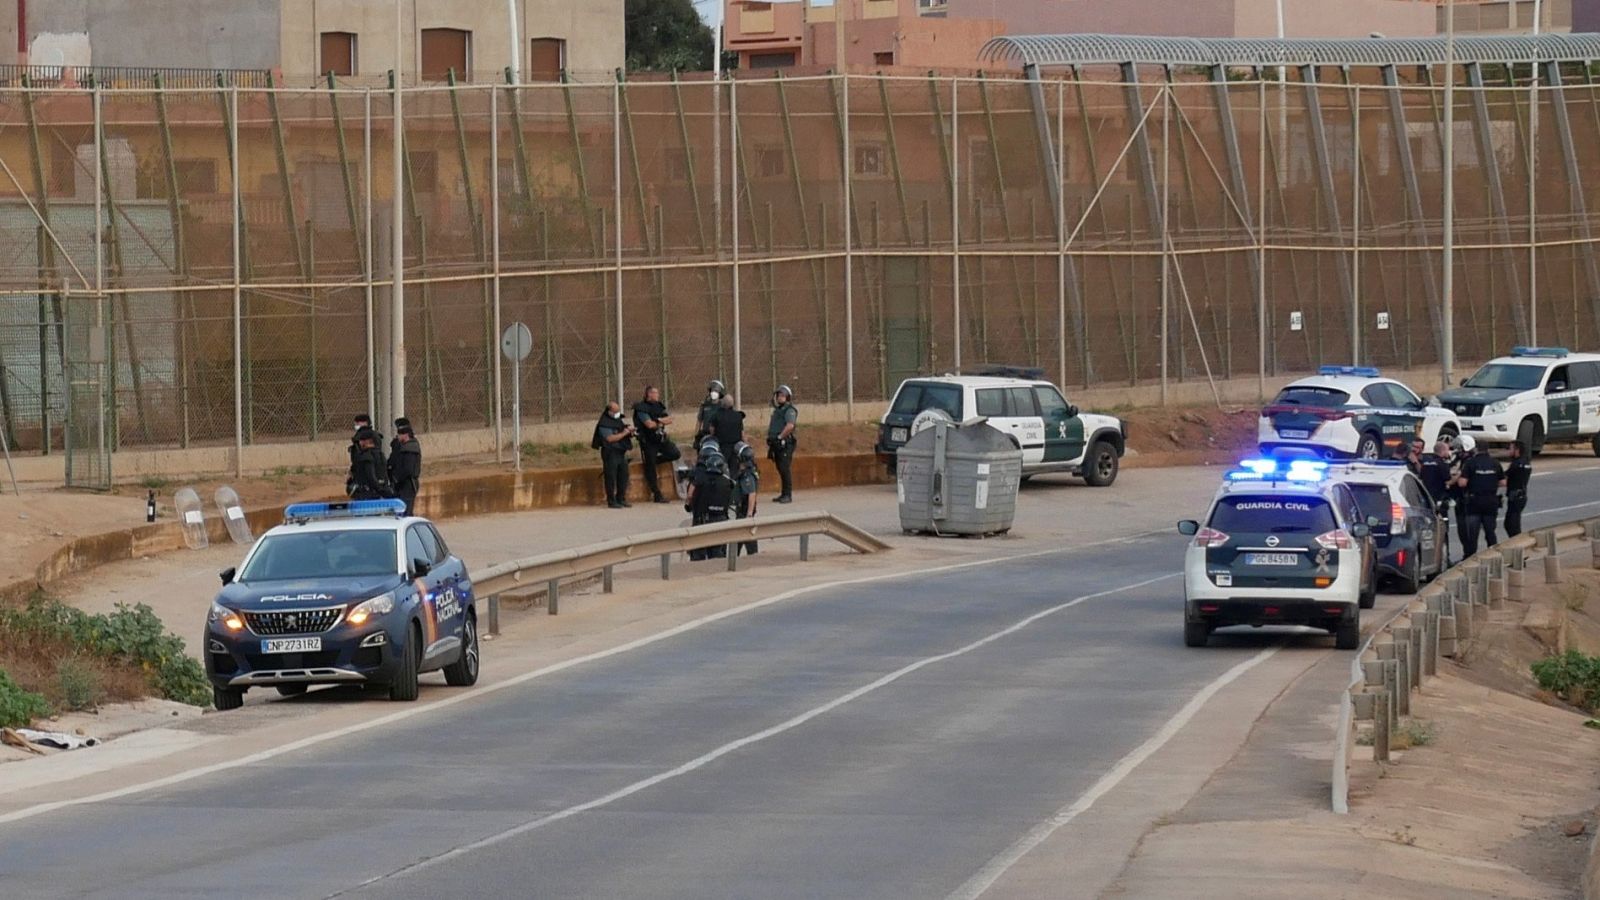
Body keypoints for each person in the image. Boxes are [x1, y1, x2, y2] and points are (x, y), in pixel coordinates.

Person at [1456, 438, 1505, 557]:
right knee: (1490, 532)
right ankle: (1494, 557)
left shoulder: (1471, 463)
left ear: (1476, 449)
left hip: (1474, 503)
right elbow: (1503, 482)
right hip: (1491, 502)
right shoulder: (1495, 463)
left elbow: (1462, 483)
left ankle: (1470, 560)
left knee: (1472, 535)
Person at [684, 440, 733, 559]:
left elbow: (690, 493)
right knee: (718, 553)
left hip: (702, 517)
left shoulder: (699, 476)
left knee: (698, 551)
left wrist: (689, 504)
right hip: (721, 518)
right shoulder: (727, 481)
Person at [632, 385, 674, 503]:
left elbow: (670, 419)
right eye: (655, 393)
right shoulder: (641, 408)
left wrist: (659, 421)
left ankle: (655, 460)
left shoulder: (659, 406)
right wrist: (660, 421)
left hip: (660, 438)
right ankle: (657, 493)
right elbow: (648, 425)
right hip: (648, 441)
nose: (658, 395)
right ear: (649, 394)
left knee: (674, 453)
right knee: (650, 467)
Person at [592, 402, 636, 509]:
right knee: (611, 477)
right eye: (615, 412)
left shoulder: (617, 421)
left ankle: (621, 498)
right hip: (610, 452)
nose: (617, 414)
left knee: (623, 475)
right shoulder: (604, 423)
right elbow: (610, 438)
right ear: (609, 412)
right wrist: (624, 433)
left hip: (620, 452)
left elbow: (621, 429)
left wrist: (630, 431)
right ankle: (611, 501)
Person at [767, 384, 798, 503]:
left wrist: (780, 437)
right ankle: (783, 493)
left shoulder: (789, 410)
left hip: (785, 443)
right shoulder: (778, 410)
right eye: (778, 395)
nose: (779, 397)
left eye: (782, 395)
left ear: (787, 397)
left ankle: (788, 495)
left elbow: (790, 426)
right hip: (777, 443)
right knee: (780, 467)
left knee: (784, 468)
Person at [731, 440, 759, 556]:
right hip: (741, 512)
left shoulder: (747, 475)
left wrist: (749, 514)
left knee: (746, 540)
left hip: (744, 513)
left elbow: (751, 493)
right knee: (739, 540)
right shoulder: (746, 472)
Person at [348, 427, 393, 500]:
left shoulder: (367, 456)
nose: (360, 443)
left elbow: (371, 477)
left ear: (367, 441)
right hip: (379, 492)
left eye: (362, 440)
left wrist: (380, 489)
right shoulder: (380, 455)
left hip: (368, 494)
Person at [389, 424, 423, 516]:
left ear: (406, 435)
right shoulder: (405, 447)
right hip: (404, 484)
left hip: (408, 484)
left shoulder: (410, 449)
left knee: (405, 510)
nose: (398, 437)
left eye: (400, 434)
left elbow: (407, 469)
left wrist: (397, 479)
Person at [346, 413, 381, 497]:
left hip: (367, 476)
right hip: (359, 473)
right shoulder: (359, 436)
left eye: (359, 423)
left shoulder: (372, 436)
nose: (356, 425)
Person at [1503, 440, 1532, 538]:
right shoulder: (1526, 462)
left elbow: (1504, 478)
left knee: (1511, 525)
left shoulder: (1516, 464)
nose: (1508, 451)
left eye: (1510, 449)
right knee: (1512, 523)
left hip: (1515, 496)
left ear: (1517, 450)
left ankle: (1517, 546)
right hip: (1521, 496)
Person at [696, 379, 726, 448]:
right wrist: (696, 436)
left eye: (716, 391)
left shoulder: (723, 406)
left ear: (720, 393)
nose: (713, 393)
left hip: (718, 434)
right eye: (712, 391)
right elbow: (699, 421)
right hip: (705, 434)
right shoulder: (704, 405)